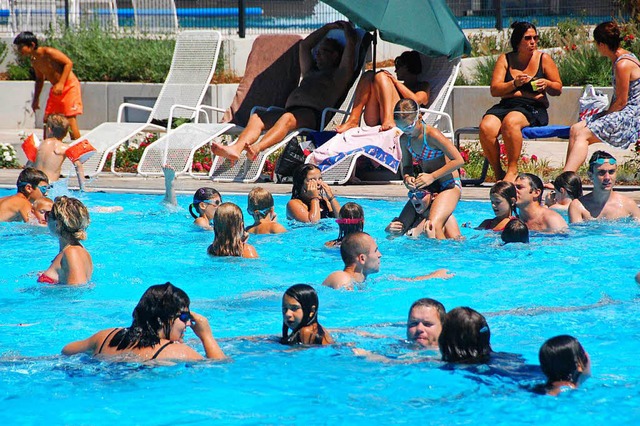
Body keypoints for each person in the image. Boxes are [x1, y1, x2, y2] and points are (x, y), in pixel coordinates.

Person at [212, 21, 357, 161]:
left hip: (312, 115)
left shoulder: (338, 76)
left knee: (287, 118)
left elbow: (350, 49)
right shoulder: (311, 72)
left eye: (323, 52)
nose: (317, 55)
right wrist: (327, 28)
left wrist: (348, 32)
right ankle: (236, 149)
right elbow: (305, 46)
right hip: (290, 111)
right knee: (257, 117)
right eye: (317, 52)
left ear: (335, 55)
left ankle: (257, 149)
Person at [478, 21, 562, 182]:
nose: (533, 42)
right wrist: (514, 84)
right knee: (486, 126)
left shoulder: (543, 59)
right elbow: (495, 90)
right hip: (507, 105)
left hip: (532, 108)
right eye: (528, 38)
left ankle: (512, 169)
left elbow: (557, 88)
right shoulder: (506, 59)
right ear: (517, 41)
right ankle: (498, 172)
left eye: (535, 38)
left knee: (510, 122)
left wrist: (547, 83)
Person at [62, 282, 226, 361]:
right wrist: (207, 337)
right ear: (163, 320)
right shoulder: (176, 352)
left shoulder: (106, 336)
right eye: (184, 317)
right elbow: (221, 370)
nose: (189, 324)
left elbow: (67, 350)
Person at [563, 21, 640, 172]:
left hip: (632, 115)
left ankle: (565, 179)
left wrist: (605, 115)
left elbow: (622, 101)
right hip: (624, 110)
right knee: (575, 129)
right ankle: (568, 175)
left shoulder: (622, 64)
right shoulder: (619, 59)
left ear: (603, 45)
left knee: (583, 134)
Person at [394, 98, 464, 239]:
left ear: (419, 117)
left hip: (448, 184)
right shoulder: (404, 139)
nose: (406, 132)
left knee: (432, 225)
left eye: (408, 127)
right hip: (427, 187)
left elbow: (458, 160)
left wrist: (432, 176)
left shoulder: (432, 135)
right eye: (401, 128)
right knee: (398, 228)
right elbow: (407, 166)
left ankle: (440, 259)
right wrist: (407, 177)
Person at [336, 50, 430, 133]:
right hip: (376, 118)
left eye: (399, 65)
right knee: (368, 75)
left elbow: (416, 100)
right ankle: (353, 120)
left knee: (381, 76)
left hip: (402, 120)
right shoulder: (394, 87)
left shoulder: (422, 86)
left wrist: (395, 82)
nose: (395, 70)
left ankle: (389, 119)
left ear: (407, 66)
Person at [13, 31, 83, 140]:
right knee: (48, 119)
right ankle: (48, 149)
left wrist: (61, 83)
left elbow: (68, 63)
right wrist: (36, 99)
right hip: (56, 89)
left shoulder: (48, 52)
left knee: (70, 120)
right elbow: (40, 79)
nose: (18, 50)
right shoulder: (34, 60)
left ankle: (81, 153)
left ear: (31, 45)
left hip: (69, 86)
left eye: (21, 47)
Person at [322, 232, 449, 290]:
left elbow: (406, 281)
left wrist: (433, 276)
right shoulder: (341, 277)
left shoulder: (362, 282)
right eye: (376, 250)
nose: (380, 255)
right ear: (362, 258)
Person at [569, 151, 640, 223]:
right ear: (590, 175)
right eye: (601, 172)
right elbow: (577, 233)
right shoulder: (578, 206)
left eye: (611, 172)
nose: (607, 177)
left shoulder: (628, 205)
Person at [38, 196, 92, 285]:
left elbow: (76, 293)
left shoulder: (72, 253)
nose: (46, 220)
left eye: (48, 215)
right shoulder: (75, 250)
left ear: (57, 224)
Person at [33, 114, 87, 191]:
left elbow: (30, 163)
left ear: (49, 130)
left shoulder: (40, 145)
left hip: (34, 185)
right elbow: (78, 165)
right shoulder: (63, 148)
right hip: (49, 186)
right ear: (66, 133)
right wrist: (83, 188)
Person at [162, 165, 222, 230]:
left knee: (173, 208)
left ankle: (169, 190)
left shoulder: (209, 222)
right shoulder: (200, 221)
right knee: (171, 208)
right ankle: (170, 185)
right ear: (203, 205)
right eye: (217, 202)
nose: (220, 206)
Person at [385, 188, 461, 239]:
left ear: (434, 196)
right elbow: (390, 241)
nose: (414, 199)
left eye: (420, 194)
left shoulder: (446, 219)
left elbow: (456, 250)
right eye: (411, 195)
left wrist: (432, 239)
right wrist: (389, 231)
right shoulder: (412, 219)